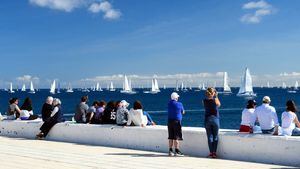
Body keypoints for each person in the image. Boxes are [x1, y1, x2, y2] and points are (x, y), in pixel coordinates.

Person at [203, 87, 221, 158]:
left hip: (207, 119)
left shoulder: (204, 100)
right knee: (215, 136)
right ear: (213, 93)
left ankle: (211, 152)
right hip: (215, 119)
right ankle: (214, 153)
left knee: (209, 137)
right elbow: (219, 105)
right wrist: (216, 96)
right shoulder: (215, 100)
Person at [167, 92, 185, 157]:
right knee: (176, 137)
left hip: (169, 121)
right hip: (177, 122)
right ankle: (177, 151)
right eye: (177, 97)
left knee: (171, 137)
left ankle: (170, 150)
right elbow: (183, 112)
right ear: (176, 97)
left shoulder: (169, 103)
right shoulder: (180, 104)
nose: (178, 98)